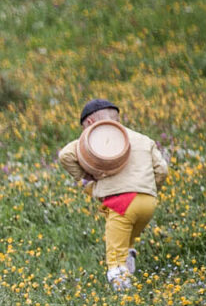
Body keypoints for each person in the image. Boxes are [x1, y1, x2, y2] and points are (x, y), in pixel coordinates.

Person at [57, 98, 169, 290]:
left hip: (121, 203)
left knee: (114, 256)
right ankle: (129, 257)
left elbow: (65, 155)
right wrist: (149, 187)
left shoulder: (95, 138)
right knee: (127, 239)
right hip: (148, 202)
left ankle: (123, 297)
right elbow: (162, 170)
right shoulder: (143, 139)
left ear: (90, 124)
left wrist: (87, 178)